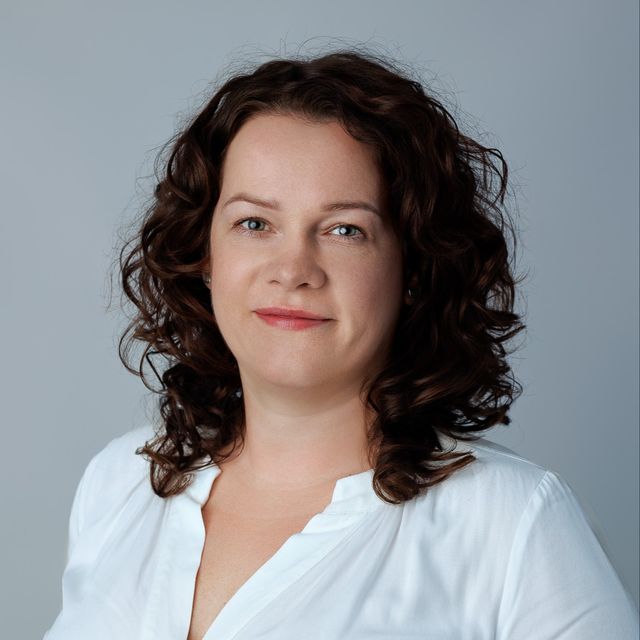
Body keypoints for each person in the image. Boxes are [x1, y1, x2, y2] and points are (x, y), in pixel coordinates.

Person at [44, 48, 638, 640]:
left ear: (412, 268)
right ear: (205, 254)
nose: (293, 270)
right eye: (255, 223)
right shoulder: (119, 482)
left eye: (345, 230)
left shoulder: (514, 525)